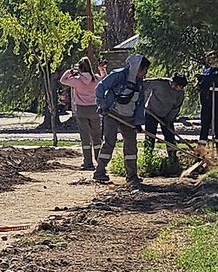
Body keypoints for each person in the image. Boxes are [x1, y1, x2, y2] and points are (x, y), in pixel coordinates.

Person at [94, 54, 151, 185]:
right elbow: (100, 88)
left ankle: (132, 176)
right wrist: (103, 105)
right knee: (109, 142)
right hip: (112, 114)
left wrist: (138, 122)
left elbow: (140, 104)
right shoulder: (118, 75)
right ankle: (100, 172)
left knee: (131, 146)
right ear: (138, 68)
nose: (146, 73)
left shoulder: (140, 84)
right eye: (144, 70)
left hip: (129, 118)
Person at [60, 56, 106, 170]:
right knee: (96, 137)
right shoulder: (95, 79)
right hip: (94, 109)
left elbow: (63, 80)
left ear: (79, 68)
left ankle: (88, 163)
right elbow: (105, 78)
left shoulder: (77, 81)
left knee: (85, 138)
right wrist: (101, 68)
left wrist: (70, 72)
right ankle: (99, 161)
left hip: (81, 110)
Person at [142, 73, 188, 163]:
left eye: (182, 87)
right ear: (173, 83)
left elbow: (176, 108)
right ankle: (147, 159)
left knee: (170, 137)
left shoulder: (180, 93)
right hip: (151, 112)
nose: (180, 89)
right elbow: (143, 85)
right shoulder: (160, 83)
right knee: (150, 136)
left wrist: (169, 120)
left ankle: (172, 158)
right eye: (179, 86)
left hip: (167, 115)